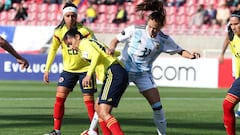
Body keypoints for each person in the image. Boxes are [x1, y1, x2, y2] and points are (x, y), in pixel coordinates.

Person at [84, 1, 201, 135]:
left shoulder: (163, 39)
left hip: (143, 75)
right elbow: (115, 40)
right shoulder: (135, 30)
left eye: (155, 28)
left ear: (161, 26)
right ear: (147, 23)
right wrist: (112, 48)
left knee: (157, 107)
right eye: (150, 27)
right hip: (123, 70)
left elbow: (180, 50)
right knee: (103, 104)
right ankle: (92, 130)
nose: (152, 31)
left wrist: (191, 56)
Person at [43, 2, 98, 135]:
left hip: (85, 69)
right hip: (68, 70)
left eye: (73, 16)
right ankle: (56, 130)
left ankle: (94, 131)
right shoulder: (59, 32)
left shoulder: (85, 31)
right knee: (59, 99)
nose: (70, 19)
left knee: (89, 102)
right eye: (68, 16)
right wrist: (47, 69)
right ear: (63, 16)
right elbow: (53, 50)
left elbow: (96, 47)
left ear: (77, 16)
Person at [63, 28, 129, 135]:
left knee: (104, 112)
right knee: (98, 108)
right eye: (68, 46)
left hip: (113, 73)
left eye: (70, 43)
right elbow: (110, 53)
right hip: (114, 73)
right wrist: (112, 52)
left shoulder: (84, 44)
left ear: (77, 37)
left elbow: (96, 56)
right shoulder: (91, 42)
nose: (70, 47)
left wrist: (88, 75)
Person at [222, 10, 240, 135]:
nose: (233, 27)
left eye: (236, 24)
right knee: (227, 105)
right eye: (231, 24)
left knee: (227, 104)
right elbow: (227, 39)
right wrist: (221, 53)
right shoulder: (232, 35)